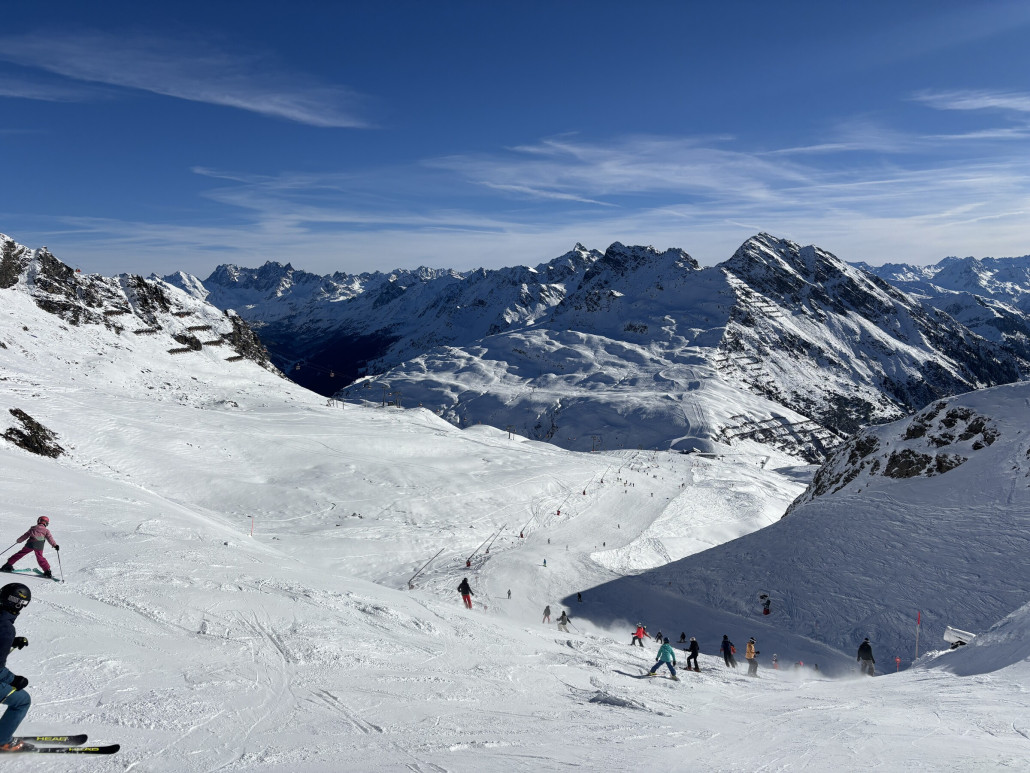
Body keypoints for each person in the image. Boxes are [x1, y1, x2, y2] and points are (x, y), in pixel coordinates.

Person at [0, 583, 32, 752]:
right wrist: (14, 679)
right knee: (22, 700)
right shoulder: (5, 628)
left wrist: (11, 642)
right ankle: (2, 740)